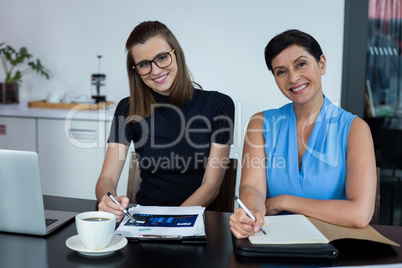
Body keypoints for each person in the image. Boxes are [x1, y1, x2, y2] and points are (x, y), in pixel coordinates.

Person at [230, 29, 376, 238]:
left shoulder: (355, 129)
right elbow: (251, 187)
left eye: (301, 64)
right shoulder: (260, 124)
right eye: (281, 71)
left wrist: (283, 201)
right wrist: (253, 211)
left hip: (332, 249)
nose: (293, 78)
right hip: (272, 243)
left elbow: (360, 214)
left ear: (322, 64)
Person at [96, 21, 234, 222]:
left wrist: (169, 223)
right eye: (144, 64)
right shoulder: (127, 109)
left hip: (194, 223)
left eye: (162, 57)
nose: (155, 70)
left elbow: (211, 185)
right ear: (136, 70)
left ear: (176, 53)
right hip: (144, 224)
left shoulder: (219, 105)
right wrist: (107, 200)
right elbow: (106, 179)